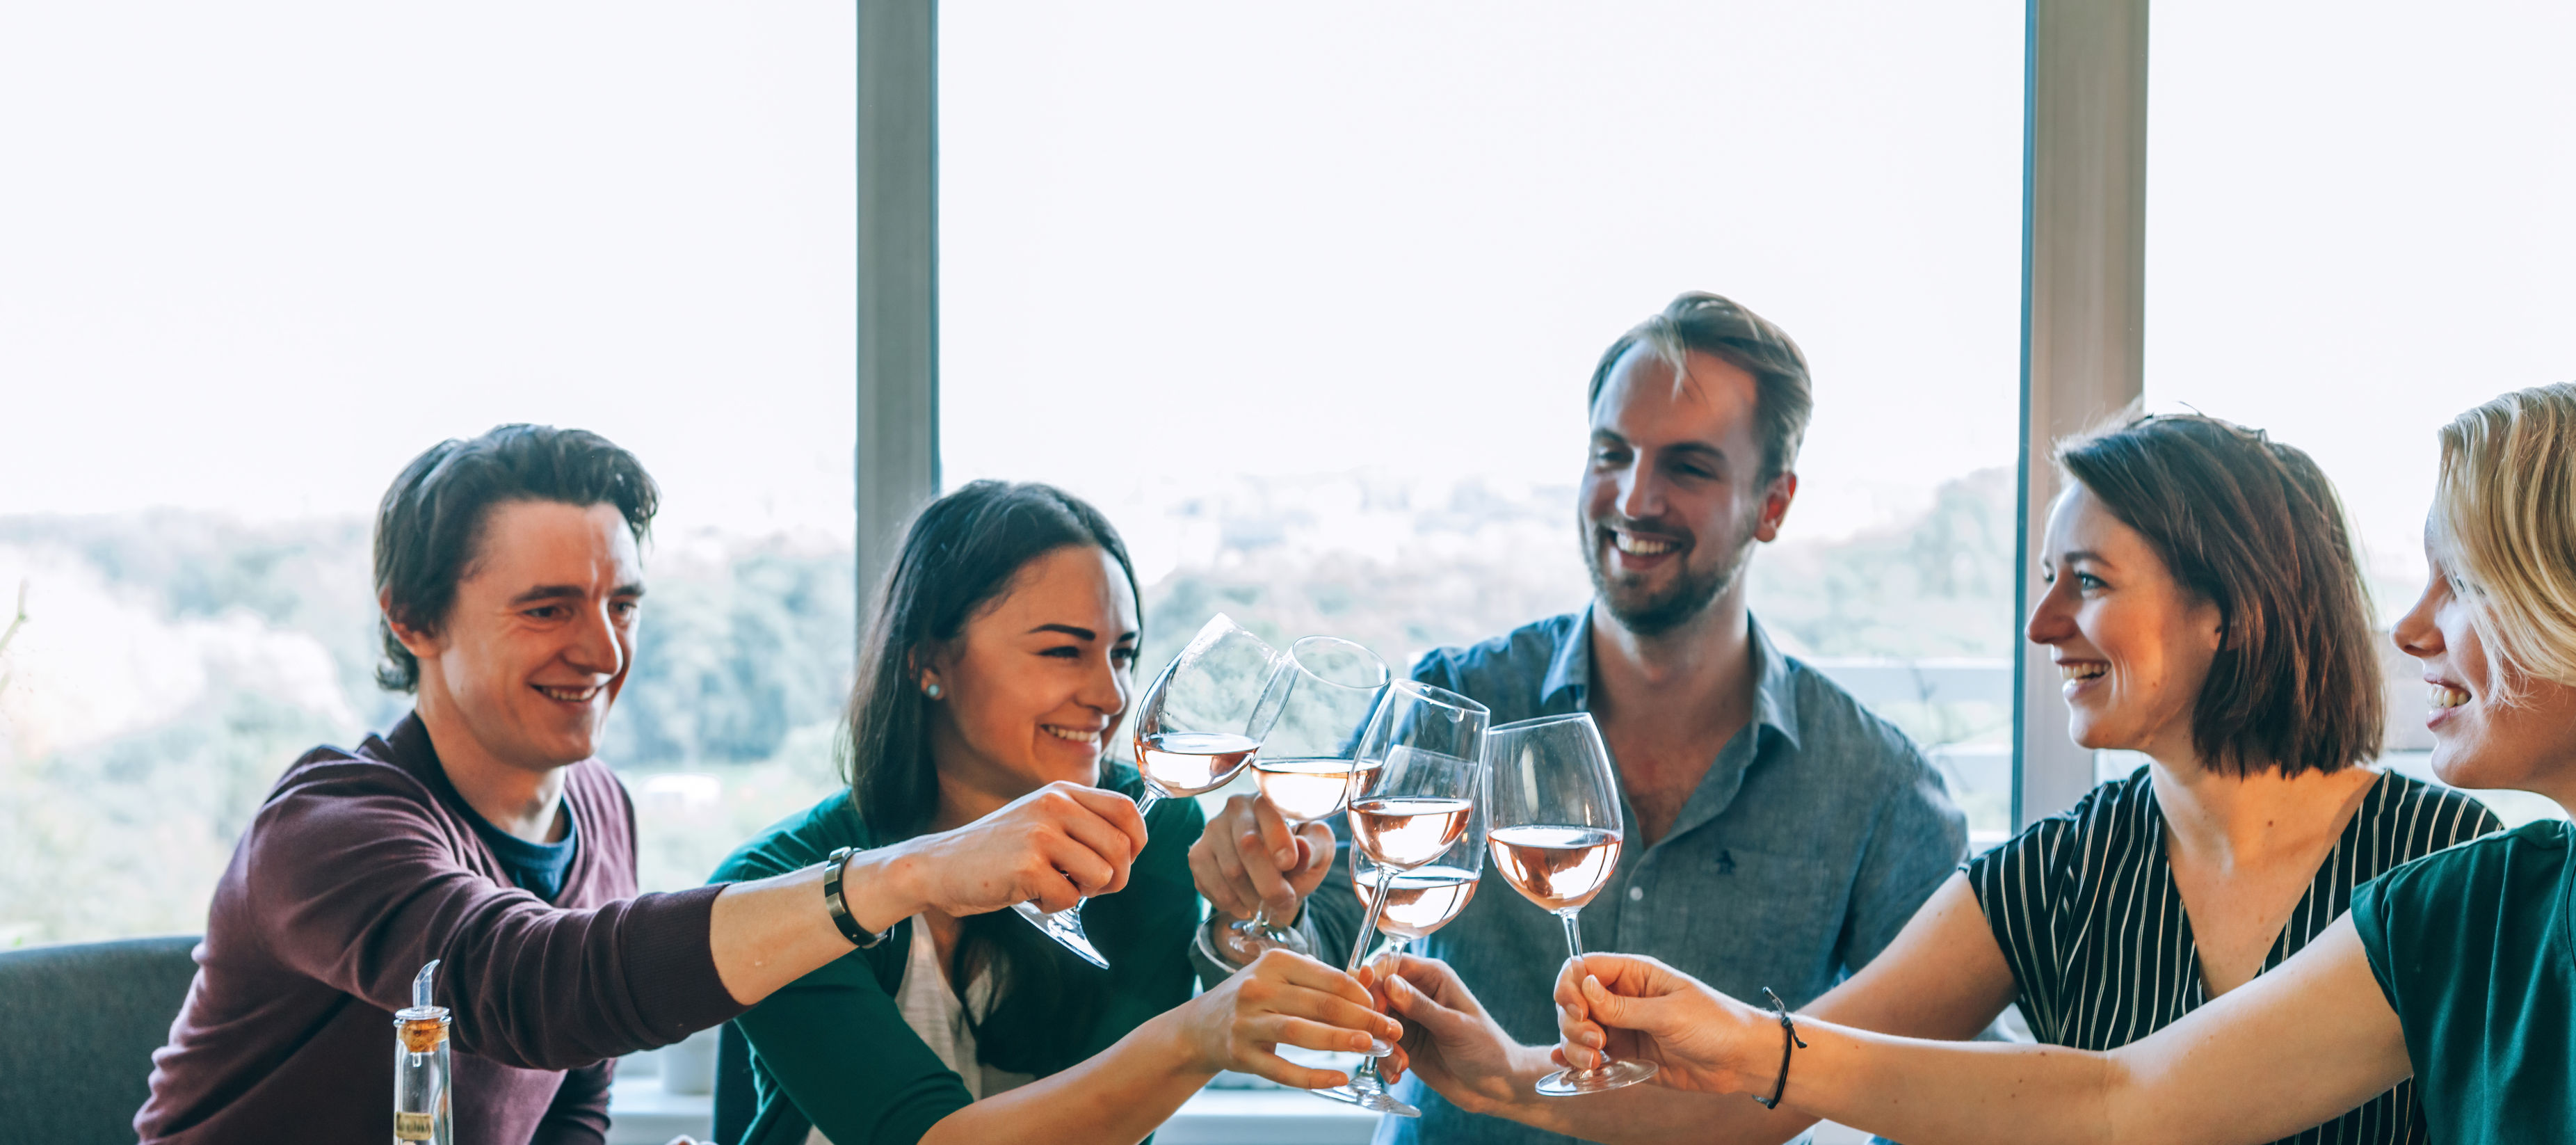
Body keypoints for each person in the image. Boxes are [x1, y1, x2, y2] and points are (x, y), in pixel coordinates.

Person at [1552, 375, 2576, 1144]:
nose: (2412, 631)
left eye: (2463, 582)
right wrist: (1752, 1044)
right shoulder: (2476, 907)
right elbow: (2129, 1096)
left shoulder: (2447, 865)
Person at [1377, 414, 2499, 1144]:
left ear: (2234, 607)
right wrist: (1506, 1077)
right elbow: (1760, 1097)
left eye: (2090, 582)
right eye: (2048, 578)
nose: (2043, 622)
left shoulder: (2457, 874)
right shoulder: (2053, 877)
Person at [138, 428, 1177, 1144]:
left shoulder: (596, 809)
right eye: (548, 608)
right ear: (412, 617)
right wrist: (898, 877)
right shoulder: (329, 827)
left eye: (622, 603)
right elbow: (533, 988)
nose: (600, 648)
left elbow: (573, 1093)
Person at [1189, 291, 1970, 1142]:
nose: (1635, 497)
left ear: (1773, 505)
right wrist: (1252, 910)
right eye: (1613, 452)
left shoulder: (1879, 785)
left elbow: (1938, 1075)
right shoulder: (1458, 700)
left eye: (1689, 466)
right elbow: (1322, 938)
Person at [713, 480, 1398, 1145]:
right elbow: (922, 1136)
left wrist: (1237, 935)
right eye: (1063, 650)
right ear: (929, 660)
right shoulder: (779, 887)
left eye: (1123, 654)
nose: (1111, 693)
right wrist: (1198, 1033)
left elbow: (1113, 1124)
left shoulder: (1154, 838)